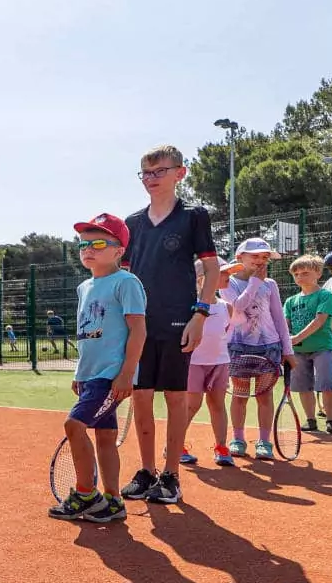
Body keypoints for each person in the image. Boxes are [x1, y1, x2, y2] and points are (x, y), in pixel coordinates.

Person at [121, 145, 219, 507]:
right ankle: (147, 472)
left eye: (159, 172)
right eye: (145, 173)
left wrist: (200, 314)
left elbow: (211, 270)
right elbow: (126, 277)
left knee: (176, 399)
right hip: (140, 326)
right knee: (142, 398)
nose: (151, 179)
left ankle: (171, 474)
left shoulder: (194, 216)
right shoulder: (132, 223)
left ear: (180, 173)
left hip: (179, 320)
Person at [50, 214, 145, 524]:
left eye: (98, 243)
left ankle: (86, 494)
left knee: (73, 426)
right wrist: (80, 372)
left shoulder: (127, 282)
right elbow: (86, 334)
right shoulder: (84, 287)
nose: (88, 249)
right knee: (104, 437)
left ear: (119, 251)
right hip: (92, 376)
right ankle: (113, 500)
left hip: (111, 376)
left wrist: (127, 373)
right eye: (83, 245)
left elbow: (138, 331)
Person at [223, 239, 296, 459]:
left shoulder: (270, 284)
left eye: (264, 257)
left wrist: (287, 349)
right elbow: (238, 308)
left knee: (265, 397)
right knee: (240, 395)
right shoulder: (227, 283)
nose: (260, 261)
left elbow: (279, 318)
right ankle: (237, 438)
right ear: (239, 258)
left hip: (270, 348)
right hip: (238, 347)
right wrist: (255, 282)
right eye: (254, 256)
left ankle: (264, 442)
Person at [178, 260, 232, 468]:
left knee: (217, 405)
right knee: (191, 406)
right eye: (223, 272)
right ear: (203, 278)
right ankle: (176, 446)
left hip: (220, 363)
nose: (229, 276)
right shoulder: (188, 305)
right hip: (194, 364)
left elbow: (222, 334)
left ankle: (221, 447)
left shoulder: (227, 307)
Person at [284, 254, 332, 433]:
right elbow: (285, 326)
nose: (300, 277)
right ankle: (310, 420)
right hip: (298, 351)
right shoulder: (290, 301)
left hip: (322, 348)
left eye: (305, 273)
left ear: (317, 273)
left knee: (326, 384)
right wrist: (286, 342)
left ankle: (331, 421)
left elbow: (319, 321)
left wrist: (296, 338)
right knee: (303, 386)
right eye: (296, 274)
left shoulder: (326, 296)